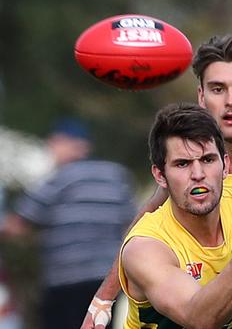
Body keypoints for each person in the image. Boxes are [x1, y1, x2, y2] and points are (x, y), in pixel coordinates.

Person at [82, 34, 232, 329]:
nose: (231, 102)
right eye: (218, 89)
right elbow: (145, 225)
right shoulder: (174, 194)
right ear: (201, 96)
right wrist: (104, 298)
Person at [118, 102, 232, 328]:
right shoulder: (145, 247)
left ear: (225, 165)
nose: (198, 174)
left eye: (207, 160)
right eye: (182, 164)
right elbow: (199, 319)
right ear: (160, 176)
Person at [1, 117, 136, 329]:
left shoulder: (61, 177)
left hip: (65, 281)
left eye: (53, 143)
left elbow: (20, 223)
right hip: (107, 281)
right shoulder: (116, 175)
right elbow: (131, 225)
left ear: (68, 143)